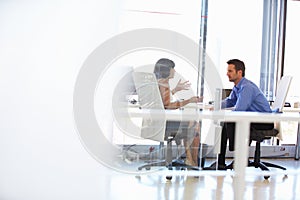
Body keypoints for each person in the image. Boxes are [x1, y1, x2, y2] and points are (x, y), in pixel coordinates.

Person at [205, 59, 274, 170]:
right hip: (253, 119)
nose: (227, 74)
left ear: (239, 72)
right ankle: (220, 162)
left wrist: (225, 113)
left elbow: (240, 109)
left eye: (230, 71)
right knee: (224, 123)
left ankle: (236, 158)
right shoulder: (238, 86)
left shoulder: (247, 87)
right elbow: (230, 101)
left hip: (262, 122)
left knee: (227, 122)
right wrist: (215, 106)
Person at [153, 58, 203, 166]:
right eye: (172, 68)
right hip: (165, 126)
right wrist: (190, 100)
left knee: (189, 124)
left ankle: (190, 159)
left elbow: (162, 100)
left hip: (157, 123)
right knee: (195, 125)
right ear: (167, 70)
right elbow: (168, 105)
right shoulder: (164, 83)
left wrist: (175, 89)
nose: (174, 71)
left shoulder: (157, 82)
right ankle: (193, 161)